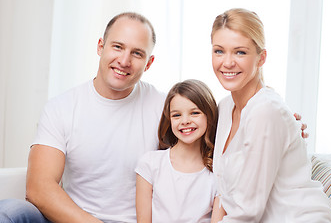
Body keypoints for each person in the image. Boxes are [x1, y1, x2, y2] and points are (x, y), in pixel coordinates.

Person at [0, 12, 166, 222]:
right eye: (117, 47)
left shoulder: (165, 108)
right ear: (100, 46)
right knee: (10, 210)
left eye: (137, 53)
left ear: (148, 63)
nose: (124, 60)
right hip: (74, 220)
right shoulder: (61, 108)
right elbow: (38, 188)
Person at [210, 8, 331, 222]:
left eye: (240, 52)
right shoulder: (225, 107)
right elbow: (224, 193)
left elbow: (247, 212)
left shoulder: (266, 111)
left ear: (261, 58)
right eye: (219, 51)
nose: (227, 62)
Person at [135, 79, 225, 223]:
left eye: (194, 113)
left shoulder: (218, 172)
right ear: (169, 120)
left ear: (209, 115)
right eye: (176, 115)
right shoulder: (150, 164)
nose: (185, 121)